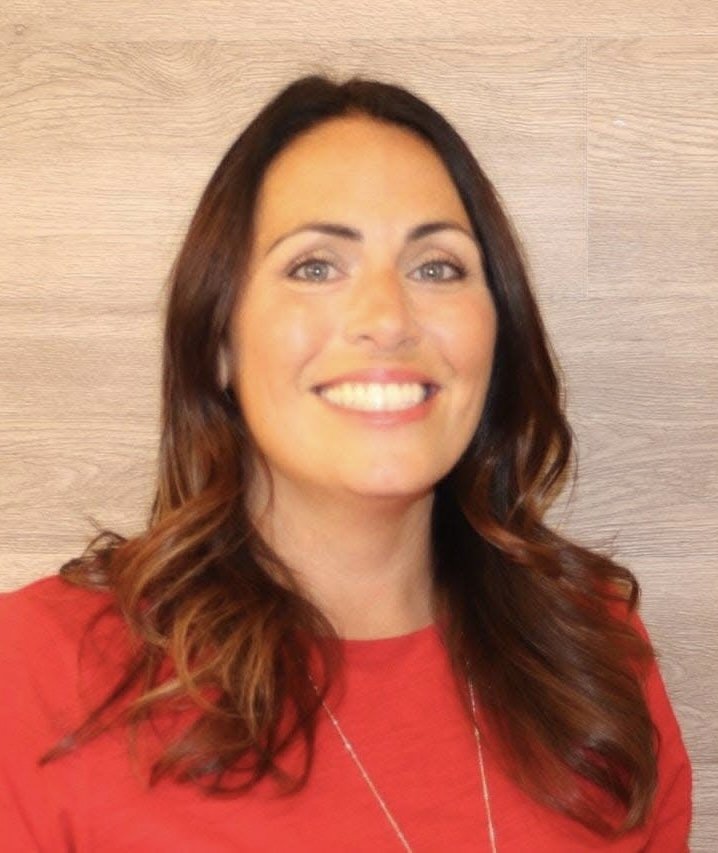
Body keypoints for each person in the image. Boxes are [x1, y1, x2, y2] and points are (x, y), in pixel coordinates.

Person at [0, 73, 691, 851]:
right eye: (316, 266)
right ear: (219, 339)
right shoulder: (37, 672)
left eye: (438, 267)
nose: (387, 319)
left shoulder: (592, 649)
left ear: (497, 335)